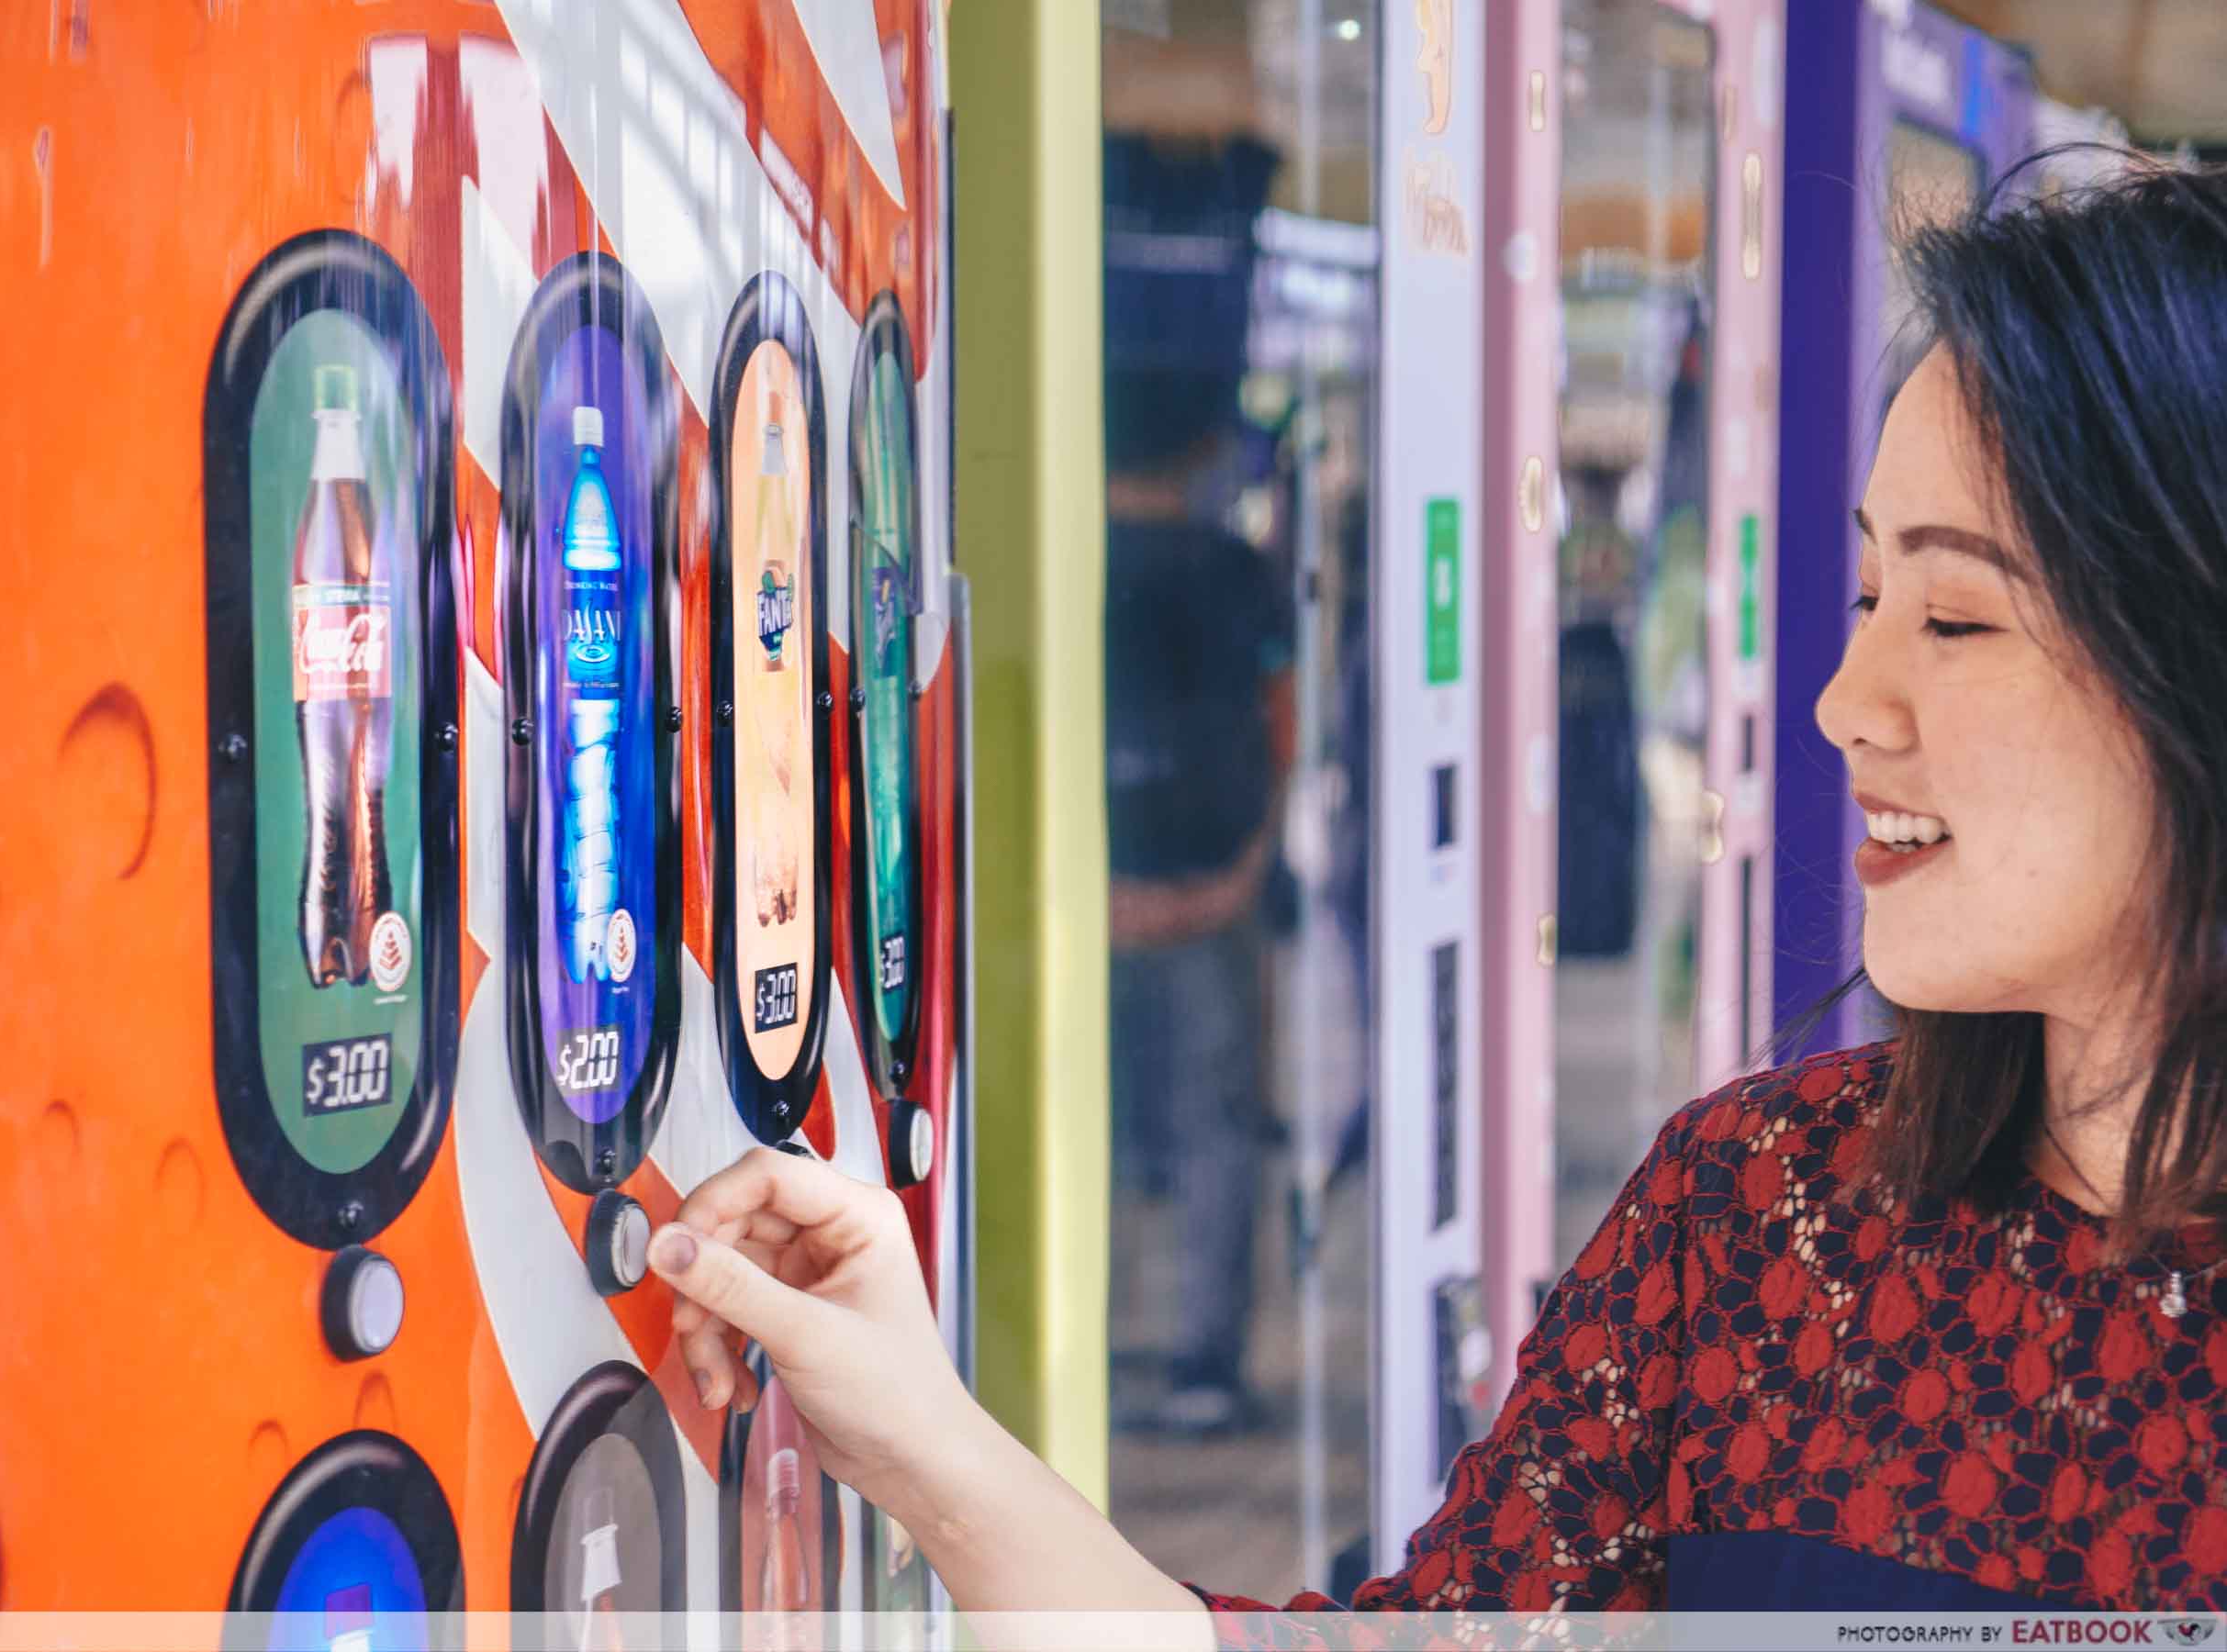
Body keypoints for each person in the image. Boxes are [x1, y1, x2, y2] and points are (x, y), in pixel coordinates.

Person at [640, 160, 2227, 1624]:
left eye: (1954, 620)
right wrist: (921, 1432)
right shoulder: (1760, 1218)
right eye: (1869, 590)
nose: (1844, 702)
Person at [1103, 366, 1296, 1434]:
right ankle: (1202, 1364)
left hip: (1083, 906)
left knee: (1090, 1119)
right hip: (1212, 894)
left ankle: (1091, 1347)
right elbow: (1280, 719)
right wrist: (1245, 869)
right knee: (1218, 1123)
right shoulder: (1236, 570)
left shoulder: (1064, 566)